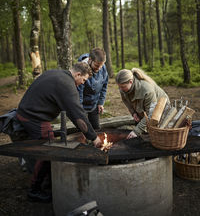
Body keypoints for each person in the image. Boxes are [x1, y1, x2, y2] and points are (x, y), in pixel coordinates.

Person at [16, 62, 102, 202]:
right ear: (78, 74)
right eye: (83, 80)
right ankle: (34, 190)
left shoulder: (57, 73)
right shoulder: (66, 84)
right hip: (33, 117)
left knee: (48, 145)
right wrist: (94, 138)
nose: (82, 84)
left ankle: (48, 180)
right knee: (49, 150)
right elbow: (77, 114)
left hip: (27, 111)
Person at [115, 68, 170, 139]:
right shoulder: (123, 89)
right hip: (146, 110)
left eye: (123, 87)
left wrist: (136, 131)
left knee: (157, 135)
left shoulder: (147, 90)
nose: (120, 89)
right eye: (119, 87)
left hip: (161, 110)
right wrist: (133, 113)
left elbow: (151, 113)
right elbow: (126, 101)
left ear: (131, 82)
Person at [77, 48, 108, 130]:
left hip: (95, 104)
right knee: (84, 129)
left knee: (96, 128)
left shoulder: (102, 67)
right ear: (90, 60)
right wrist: (80, 110)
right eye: (97, 65)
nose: (99, 68)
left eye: (102, 65)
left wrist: (100, 102)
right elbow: (78, 93)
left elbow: (104, 85)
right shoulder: (81, 69)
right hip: (83, 105)